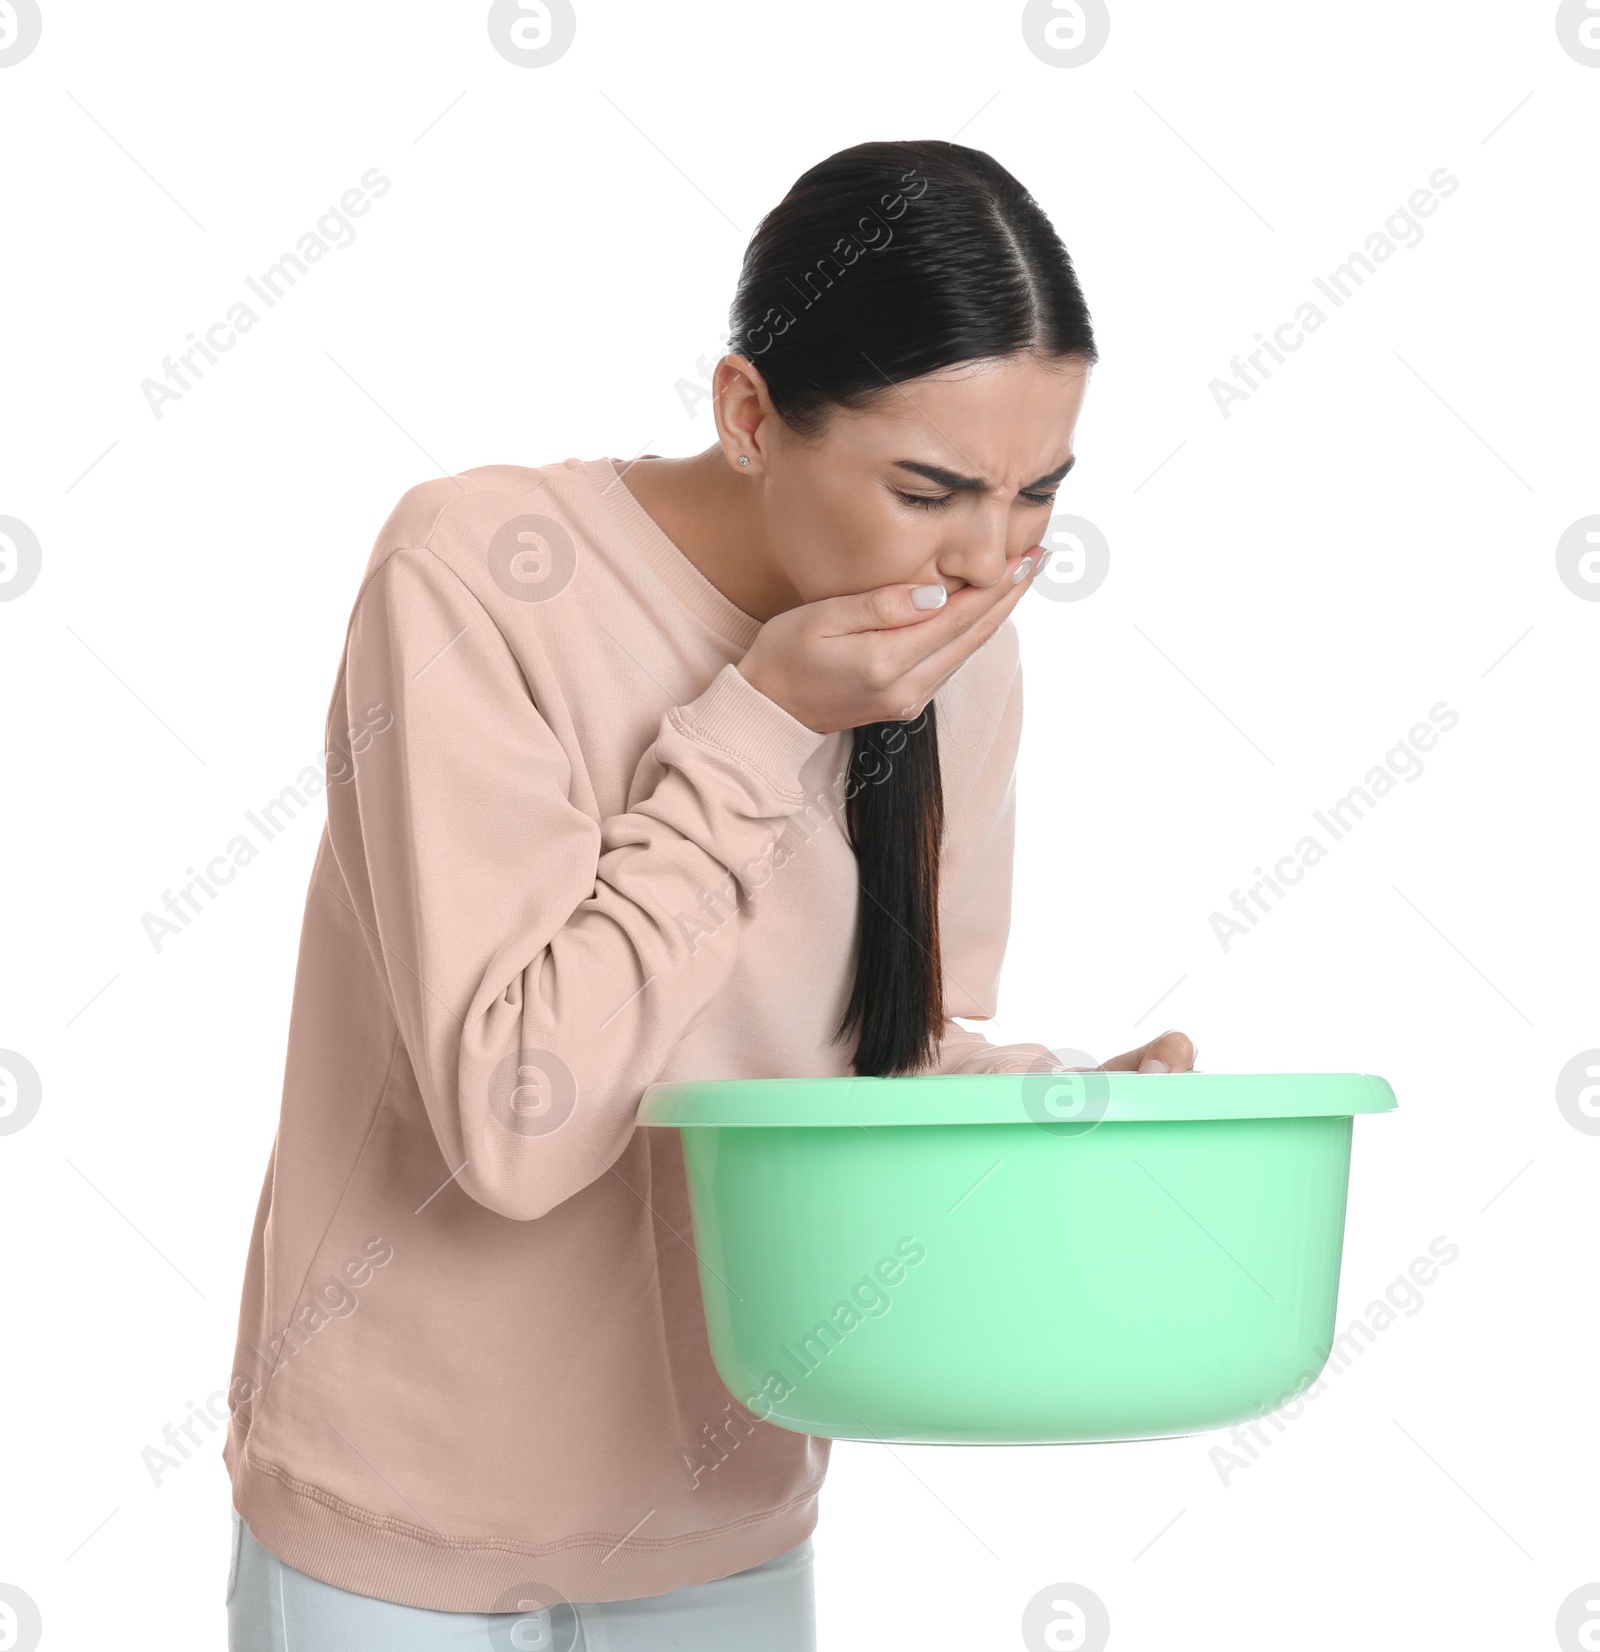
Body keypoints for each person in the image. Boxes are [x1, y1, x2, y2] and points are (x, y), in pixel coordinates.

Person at [222, 136, 1197, 1650]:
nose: (992, 562)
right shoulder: (478, 572)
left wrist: (1047, 1110)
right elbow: (518, 1123)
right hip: (392, 1535)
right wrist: (764, 723)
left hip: (721, 1520)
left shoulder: (967, 659)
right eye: (933, 489)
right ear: (749, 414)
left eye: (1035, 495)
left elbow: (856, 1056)